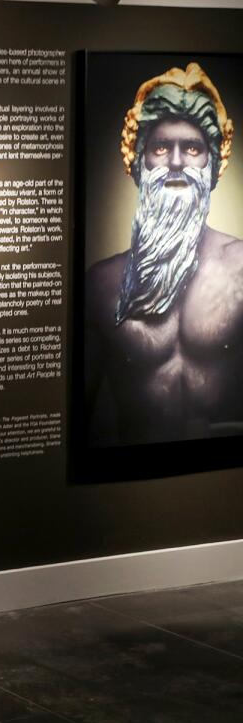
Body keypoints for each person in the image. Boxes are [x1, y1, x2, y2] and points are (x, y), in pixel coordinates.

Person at [85, 62, 243, 446]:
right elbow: (77, 421)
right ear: (139, 162)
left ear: (212, 162)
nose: (176, 162)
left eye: (192, 148)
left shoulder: (242, 269)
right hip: (132, 488)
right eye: (160, 147)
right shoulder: (101, 285)